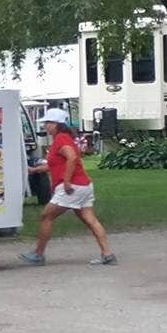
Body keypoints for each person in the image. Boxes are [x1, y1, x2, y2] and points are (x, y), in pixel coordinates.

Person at [19, 108, 116, 266]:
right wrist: (35, 170)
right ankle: (107, 254)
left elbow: (71, 158)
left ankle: (38, 254)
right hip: (84, 185)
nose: (46, 126)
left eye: (48, 122)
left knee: (46, 216)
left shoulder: (61, 139)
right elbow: (56, 164)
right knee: (90, 220)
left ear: (57, 124)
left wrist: (66, 181)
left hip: (72, 187)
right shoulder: (65, 138)